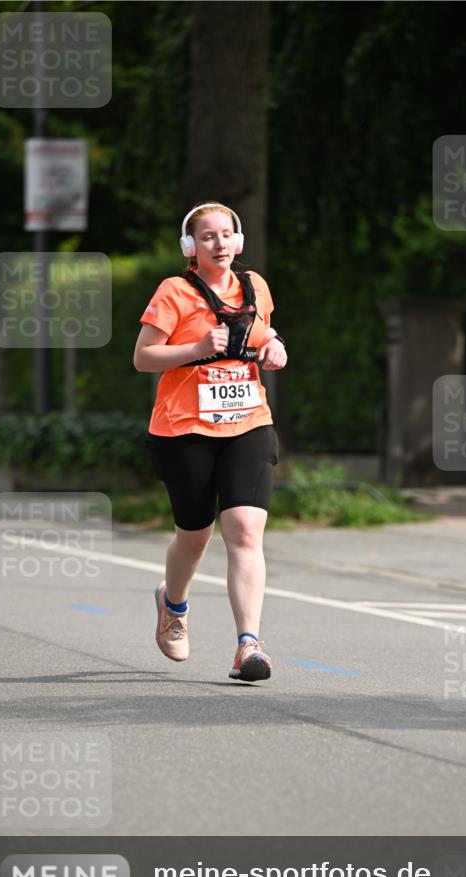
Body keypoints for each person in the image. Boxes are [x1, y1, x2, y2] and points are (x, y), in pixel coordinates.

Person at [133, 202, 287, 682]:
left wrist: (275, 347)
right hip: (184, 429)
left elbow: (265, 332)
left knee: (244, 530)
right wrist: (197, 349)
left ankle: (249, 645)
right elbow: (144, 357)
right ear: (191, 246)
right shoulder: (174, 291)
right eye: (207, 237)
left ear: (237, 241)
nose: (219, 244)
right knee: (195, 535)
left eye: (226, 235)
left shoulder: (254, 285)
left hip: (248, 423)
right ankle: (173, 605)